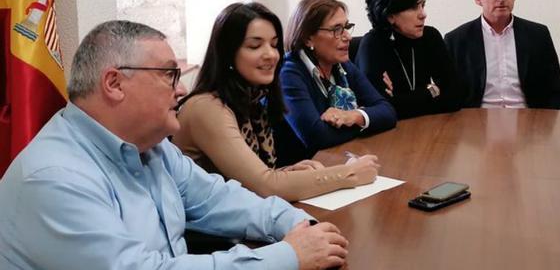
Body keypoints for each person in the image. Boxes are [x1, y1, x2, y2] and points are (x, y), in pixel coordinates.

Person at [0, 20, 348, 269]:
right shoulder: (53, 178)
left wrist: (297, 225)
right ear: (114, 83)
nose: (181, 90)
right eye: (170, 75)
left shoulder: (151, 147)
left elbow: (218, 199)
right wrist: (288, 255)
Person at [173, 2, 380, 202]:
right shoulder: (207, 106)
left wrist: (287, 173)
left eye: (274, 45)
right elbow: (265, 186)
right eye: (255, 46)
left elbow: (246, 180)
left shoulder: (252, 99)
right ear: (227, 54)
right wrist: (349, 173)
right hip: (210, 233)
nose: (271, 54)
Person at [445, 0, 560, 109]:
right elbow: (449, 99)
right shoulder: (457, 40)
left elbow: (556, 95)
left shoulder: (538, 36)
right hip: (477, 124)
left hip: (528, 123)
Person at [280, 0, 397, 151]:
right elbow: (317, 137)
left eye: (346, 27)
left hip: (342, 156)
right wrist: (365, 120)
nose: (347, 37)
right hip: (302, 169)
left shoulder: (343, 65)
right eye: (337, 29)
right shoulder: (288, 74)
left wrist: (353, 116)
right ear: (308, 38)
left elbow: (388, 112)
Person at [355, 0, 462, 119]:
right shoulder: (372, 46)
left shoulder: (430, 36)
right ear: (390, 16)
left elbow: (455, 97)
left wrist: (401, 99)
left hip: (429, 129)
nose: (423, 14)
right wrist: (432, 91)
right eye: (413, 8)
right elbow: (382, 110)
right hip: (388, 136)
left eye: (422, 5)